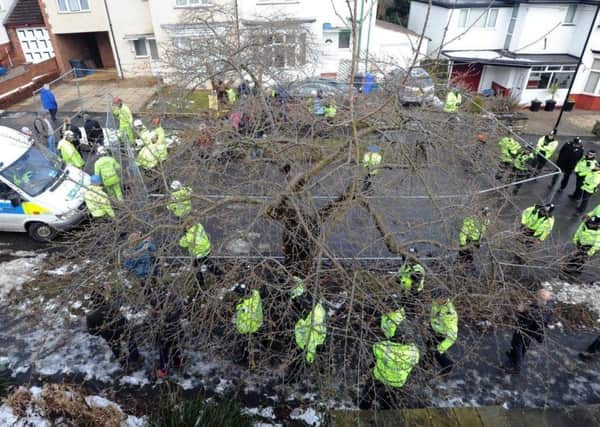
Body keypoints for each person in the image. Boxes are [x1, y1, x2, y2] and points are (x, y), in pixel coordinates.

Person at [86, 286, 140, 369]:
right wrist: (111, 288)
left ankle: (126, 366)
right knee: (131, 343)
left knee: (117, 350)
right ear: (103, 298)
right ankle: (136, 360)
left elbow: (92, 332)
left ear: (93, 302)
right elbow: (120, 296)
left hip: (109, 335)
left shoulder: (91, 316)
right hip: (124, 328)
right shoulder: (113, 305)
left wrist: (102, 332)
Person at [505, 288, 553, 374]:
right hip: (531, 331)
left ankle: (517, 366)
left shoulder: (539, 311)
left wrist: (522, 310)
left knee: (518, 345)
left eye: (537, 297)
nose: (534, 298)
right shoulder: (548, 305)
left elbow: (530, 318)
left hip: (527, 330)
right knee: (522, 345)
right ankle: (513, 356)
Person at [179, 222, 222, 286]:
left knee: (196, 268)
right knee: (207, 263)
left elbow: (182, 244)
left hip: (199, 254)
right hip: (206, 249)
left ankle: (201, 283)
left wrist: (184, 236)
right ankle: (219, 274)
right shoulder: (198, 226)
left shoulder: (189, 237)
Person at [427, 288, 458, 374]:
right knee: (429, 345)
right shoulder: (437, 303)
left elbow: (453, 335)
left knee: (438, 353)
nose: (433, 300)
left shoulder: (449, 314)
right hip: (435, 330)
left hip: (444, 335)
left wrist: (441, 347)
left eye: (435, 298)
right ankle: (428, 363)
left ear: (442, 298)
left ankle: (448, 366)